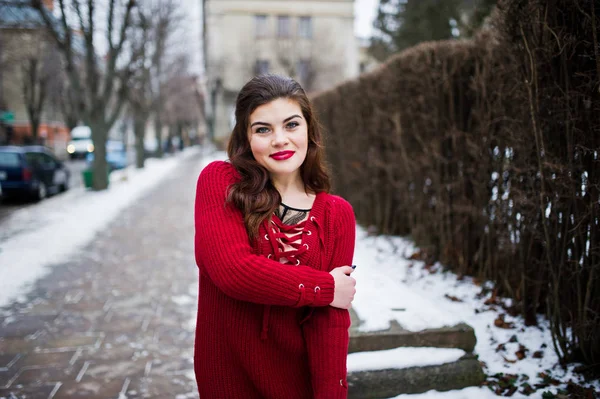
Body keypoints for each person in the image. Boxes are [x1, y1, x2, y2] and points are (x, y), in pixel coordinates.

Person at [194, 74, 357, 399]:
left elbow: (327, 325)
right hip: (230, 380)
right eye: (263, 129)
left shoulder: (336, 214)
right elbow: (233, 271)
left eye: (291, 124)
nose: (279, 139)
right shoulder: (220, 182)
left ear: (309, 130)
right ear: (246, 138)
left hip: (298, 384)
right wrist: (325, 287)